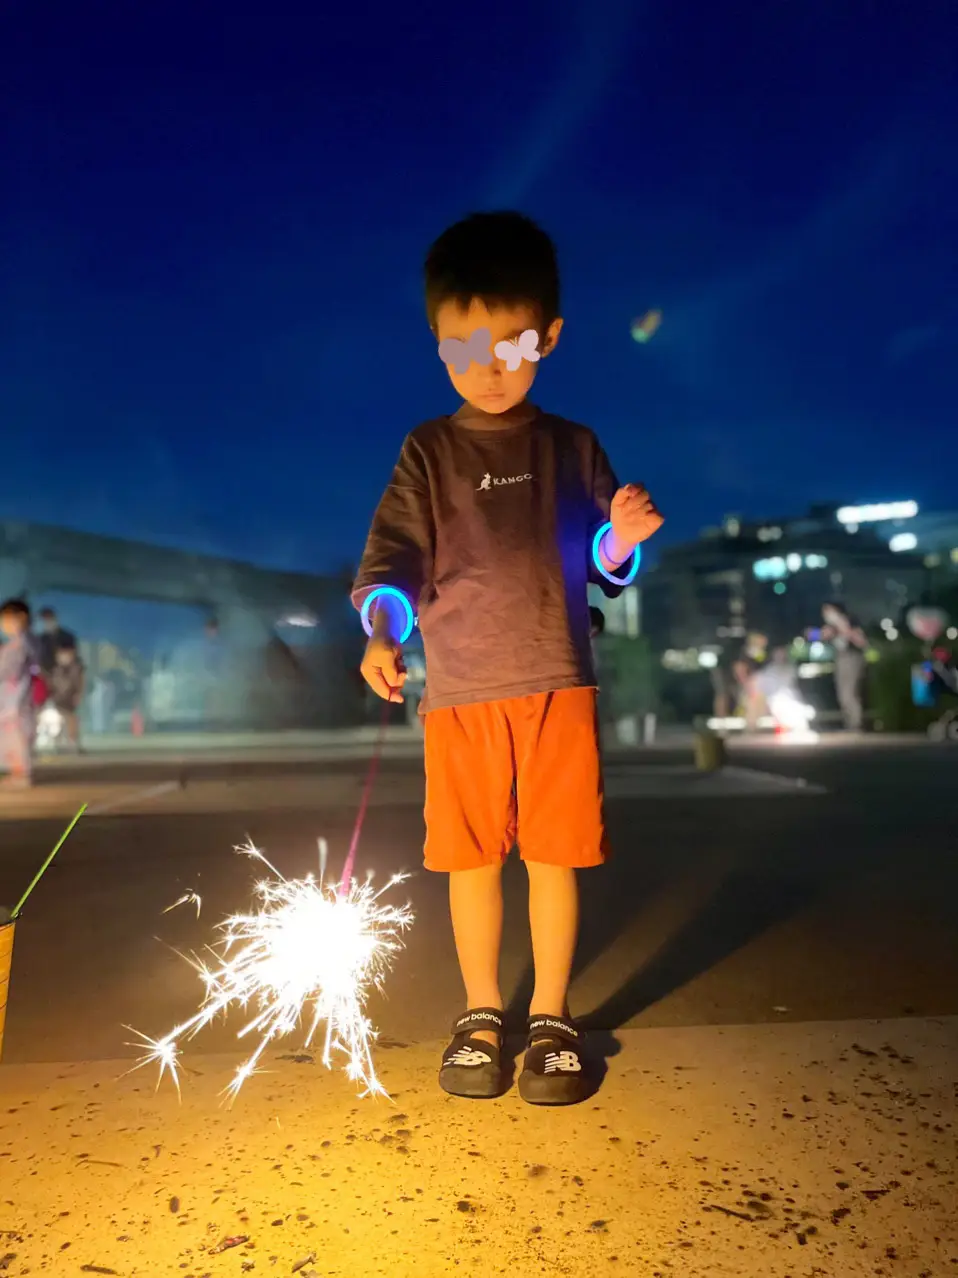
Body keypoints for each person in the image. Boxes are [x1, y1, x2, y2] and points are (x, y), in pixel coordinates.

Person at [353, 211, 663, 1105]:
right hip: (459, 695)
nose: (491, 366)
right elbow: (393, 563)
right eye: (466, 345)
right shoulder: (429, 449)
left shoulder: (571, 447)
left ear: (551, 337)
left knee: (554, 855)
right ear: (438, 343)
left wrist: (623, 536)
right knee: (471, 859)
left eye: (513, 344)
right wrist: (381, 629)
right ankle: (482, 1013)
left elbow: (604, 564)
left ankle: (554, 1018)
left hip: (557, 684)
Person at [0, 598, 41, 789]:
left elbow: (13, 670)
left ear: (21, 617)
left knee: (18, 734)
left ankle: (21, 774)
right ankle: (17, 772)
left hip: (19, 698)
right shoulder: (15, 643)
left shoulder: (24, 642)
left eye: (8, 619)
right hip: (10, 698)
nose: (4, 624)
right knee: (10, 735)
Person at [821, 602, 868, 731]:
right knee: (842, 693)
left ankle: (856, 723)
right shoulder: (832, 626)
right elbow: (823, 635)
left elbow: (861, 641)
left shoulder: (850, 621)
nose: (826, 614)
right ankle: (849, 723)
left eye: (828, 610)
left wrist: (843, 627)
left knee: (850, 693)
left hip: (852, 658)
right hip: (841, 658)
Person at [48, 644, 86, 751]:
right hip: (59, 699)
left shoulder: (76, 669)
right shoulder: (57, 670)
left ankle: (72, 742)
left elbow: (80, 684)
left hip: (70, 699)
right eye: (61, 654)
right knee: (60, 721)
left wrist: (78, 695)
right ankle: (59, 743)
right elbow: (52, 684)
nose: (64, 657)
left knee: (71, 720)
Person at [37, 607, 77, 675]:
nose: (47, 622)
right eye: (45, 619)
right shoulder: (41, 639)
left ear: (55, 619)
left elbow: (70, 657)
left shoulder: (67, 637)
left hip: (63, 674)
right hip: (44, 674)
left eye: (49, 619)